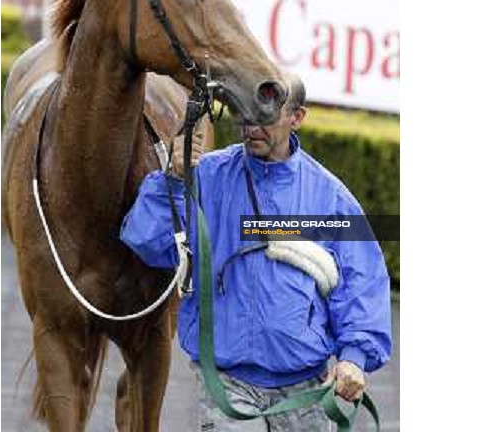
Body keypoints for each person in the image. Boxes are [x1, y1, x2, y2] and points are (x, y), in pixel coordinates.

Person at [120, 75, 392, 431]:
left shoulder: (334, 199)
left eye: (265, 118)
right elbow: (147, 242)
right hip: (227, 384)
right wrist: (172, 177)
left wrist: (355, 357)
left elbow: (363, 282)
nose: (251, 128)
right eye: (245, 117)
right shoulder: (207, 177)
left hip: (306, 389)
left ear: (297, 117)